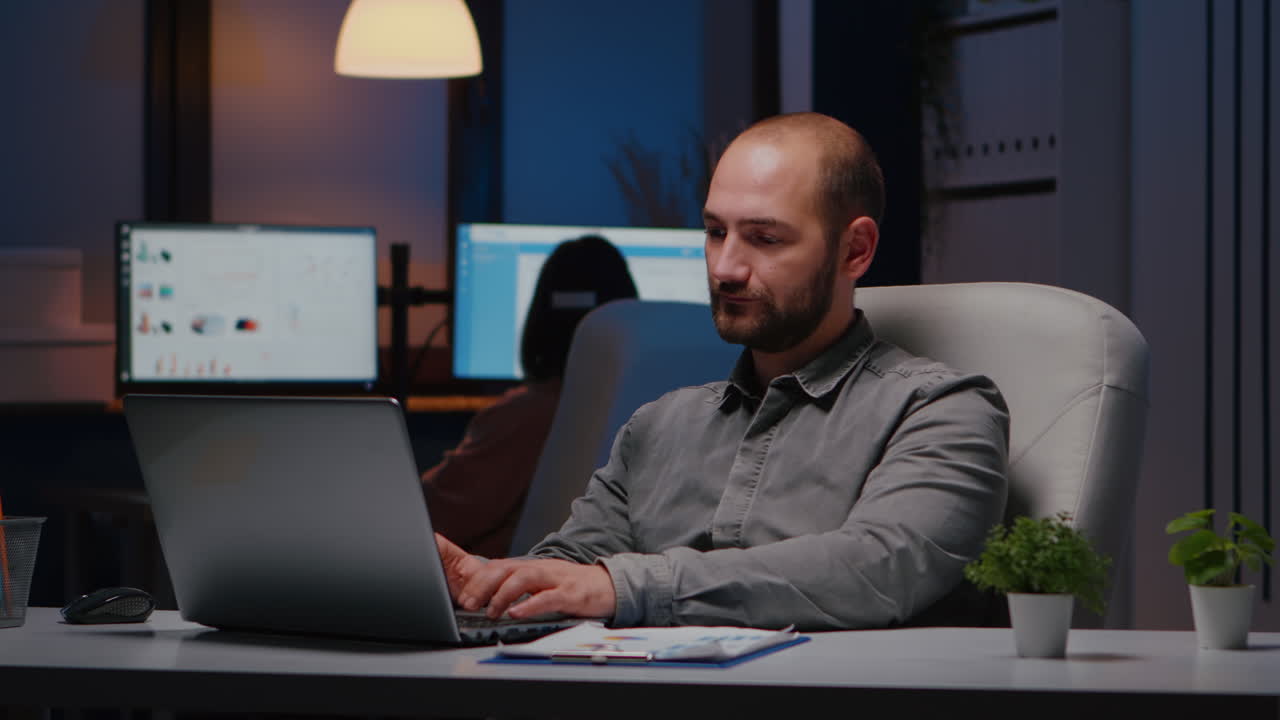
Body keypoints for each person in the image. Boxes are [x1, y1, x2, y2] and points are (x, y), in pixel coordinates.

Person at [435, 112, 1010, 631]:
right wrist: (484, 583)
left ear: (854, 250)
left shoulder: (943, 410)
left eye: (764, 238)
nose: (726, 267)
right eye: (715, 233)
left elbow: (878, 570)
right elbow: (573, 569)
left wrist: (626, 585)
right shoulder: (660, 425)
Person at [420, 235, 638, 558]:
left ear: (541, 321)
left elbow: (425, 517)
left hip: (504, 597)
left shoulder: (527, 415)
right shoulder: (649, 411)